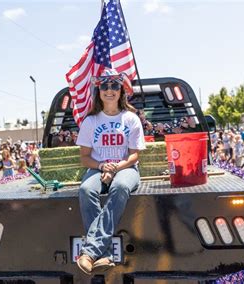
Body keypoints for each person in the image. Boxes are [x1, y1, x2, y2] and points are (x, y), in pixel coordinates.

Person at [75, 69, 145, 274]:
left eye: (114, 86)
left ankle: (90, 252)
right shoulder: (90, 121)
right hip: (98, 168)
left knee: (121, 186)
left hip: (126, 168)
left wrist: (114, 168)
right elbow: (85, 157)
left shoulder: (131, 119)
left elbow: (134, 156)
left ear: (121, 90)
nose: (109, 90)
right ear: (99, 91)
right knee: (86, 189)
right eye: (104, 86)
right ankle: (103, 255)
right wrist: (102, 167)